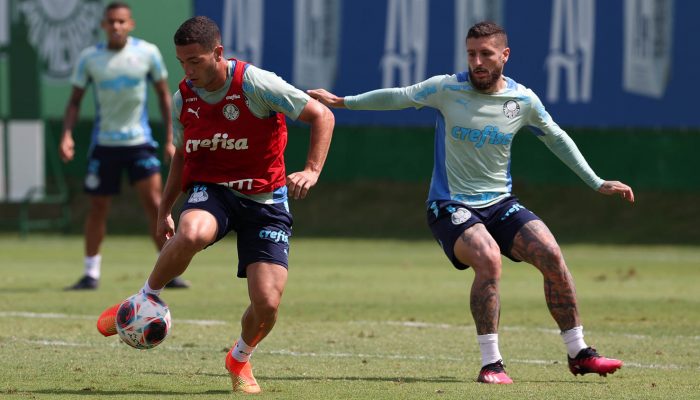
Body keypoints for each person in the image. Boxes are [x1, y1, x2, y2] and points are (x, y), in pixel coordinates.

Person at [308, 21, 633, 384]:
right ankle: (491, 364)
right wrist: (343, 102)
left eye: (486, 54)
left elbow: (556, 138)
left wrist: (597, 181)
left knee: (552, 256)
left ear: (505, 56)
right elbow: (399, 95)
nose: (477, 62)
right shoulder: (447, 88)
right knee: (489, 259)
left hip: (500, 204)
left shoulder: (522, 100)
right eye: (471, 54)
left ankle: (579, 353)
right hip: (450, 206)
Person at [96, 16, 334, 394]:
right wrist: (164, 210)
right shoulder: (184, 98)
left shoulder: (256, 84)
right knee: (193, 232)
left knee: (268, 303)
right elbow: (181, 155)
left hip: (266, 199)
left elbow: (322, 115)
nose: (188, 71)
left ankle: (239, 358)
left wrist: (311, 169)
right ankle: (144, 298)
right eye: (182, 63)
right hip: (214, 191)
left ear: (218, 53)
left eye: (195, 61)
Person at [60, 2, 189, 290]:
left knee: (157, 204)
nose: (116, 26)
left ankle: (168, 271)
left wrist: (170, 138)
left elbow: (164, 98)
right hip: (104, 144)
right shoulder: (90, 58)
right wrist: (67, 134)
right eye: (111, 22)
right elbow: (74, 101)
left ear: (130, 24)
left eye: (121, 21)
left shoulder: (147, 53)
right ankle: (91, 274)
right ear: (103, 25)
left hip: (139, 143)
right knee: (97, 207)